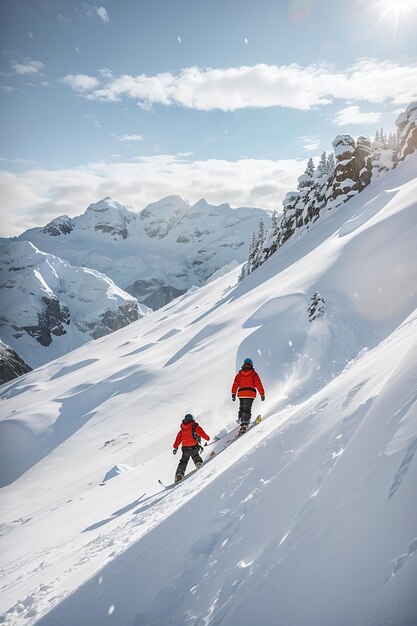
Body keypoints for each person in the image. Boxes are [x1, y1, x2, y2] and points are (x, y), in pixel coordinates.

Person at [173, 414, 210, 482]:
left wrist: (175, 447)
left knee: (183, 461)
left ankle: (179, 474)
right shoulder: (195, 427)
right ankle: (199, 464)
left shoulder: (182, 429)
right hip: (193, 447)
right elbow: (202, 433)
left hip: (185, 448)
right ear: (192, 419)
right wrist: (207, 438)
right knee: (195, 456)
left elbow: (178, 439)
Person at [231, 357, 265, 434]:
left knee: (242, 408)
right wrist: (262, 394)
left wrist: (233, 393)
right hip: (250, 393)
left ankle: (241, 419)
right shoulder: (253, 374)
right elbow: (258, 384)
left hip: (241, 394)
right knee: (247, 409)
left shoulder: (240, 374)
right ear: (251, 365)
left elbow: (235, 384)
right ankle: (245, 422)